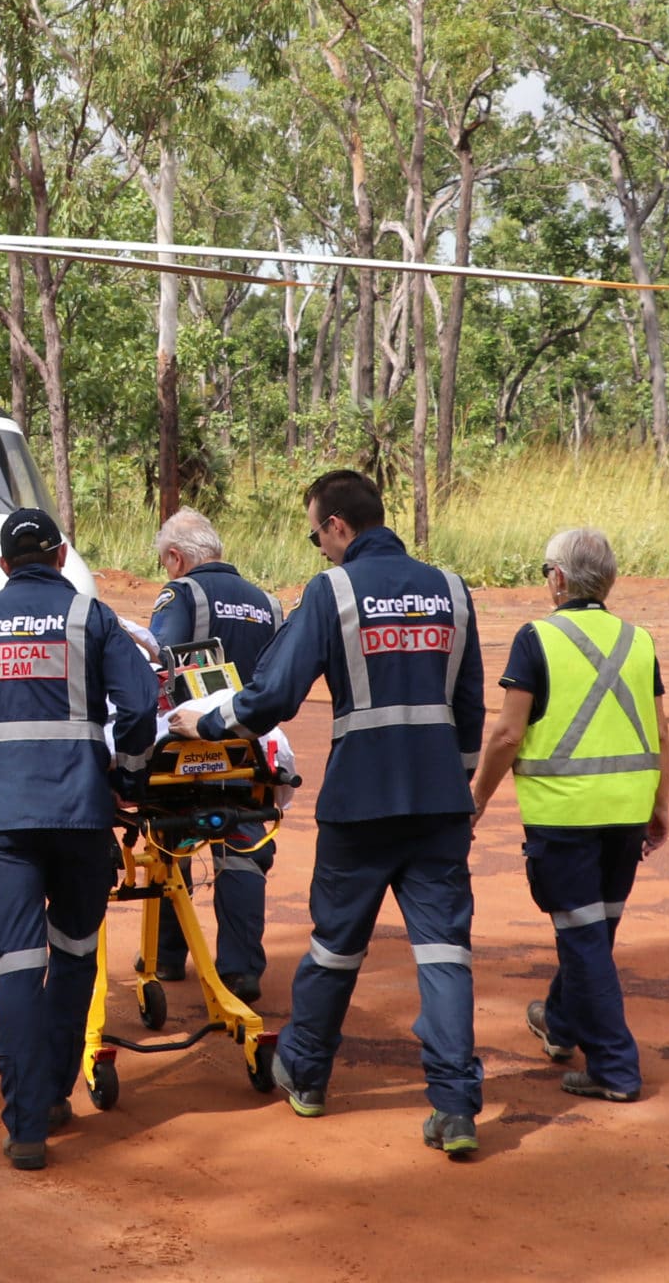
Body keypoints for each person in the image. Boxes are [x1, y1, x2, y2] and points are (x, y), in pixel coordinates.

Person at [169, 469, 486, 1159]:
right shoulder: (454, 592)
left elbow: (271, 695)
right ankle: (457, 1108)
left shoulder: (334, 591)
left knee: (336, 947)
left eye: (317, 536)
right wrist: (455, 788)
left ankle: (308, 1078)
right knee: (444, 954)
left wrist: (206, 719)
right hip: (438, 805)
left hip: (361, 800)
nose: (319, 549)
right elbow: (469, 712)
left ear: (338, 526)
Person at [0, 507, 160, 1171]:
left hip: (3, 820)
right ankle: (49, 1095)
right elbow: (137, 707)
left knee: (16, 970)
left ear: (1, 564)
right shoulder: (90, 616)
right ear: (62, 553)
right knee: (74, 957)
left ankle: (25, 1128)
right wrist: (125, 778)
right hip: (78, 816)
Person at [470, 527, 669, 1104]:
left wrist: (476, 801)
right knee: (594, 932)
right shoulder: (639, 640)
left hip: (565, 816)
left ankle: (615, 1068)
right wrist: (659, 807)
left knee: (585, 940)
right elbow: (659, 731)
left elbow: (508, 732)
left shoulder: (537, 638)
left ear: (557, 579)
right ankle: (560, 1024)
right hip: (626, 811)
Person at [146, 508, 284, 1002]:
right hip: (249, 748)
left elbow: (157, 661)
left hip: (191, 747)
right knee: (244, 848)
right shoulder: (269, 603)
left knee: (169, 840)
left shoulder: (182, 593)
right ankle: (242, 969)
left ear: (177, 558)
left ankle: (165, 956)